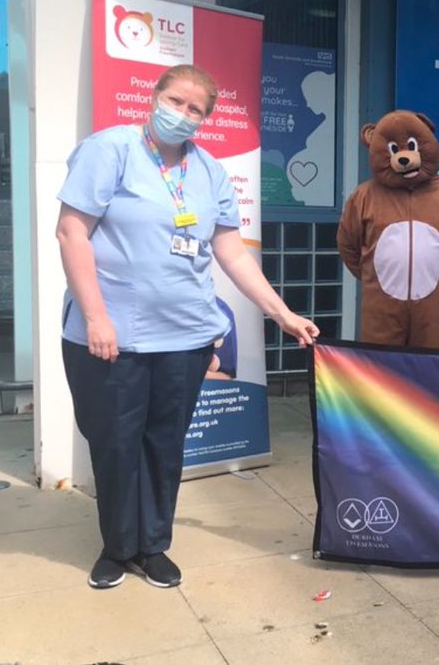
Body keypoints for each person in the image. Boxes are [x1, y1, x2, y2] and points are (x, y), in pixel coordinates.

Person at [55, 64, 319, 591]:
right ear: (153, 98)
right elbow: (71, 232)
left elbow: (232, 253)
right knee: (114, 443)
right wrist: (96, 315)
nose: (182, 114)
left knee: (164, 444)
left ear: (205, 119)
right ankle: (116, 547)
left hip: (186, 338)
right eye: (175, 101)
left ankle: (152, 546)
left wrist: (281, 312)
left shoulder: (209, 172)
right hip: (113, 337)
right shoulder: (110, 150)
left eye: (195, 109)